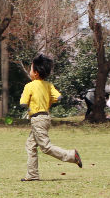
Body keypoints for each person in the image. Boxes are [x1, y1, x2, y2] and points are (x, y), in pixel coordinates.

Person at [18, 53, 82, 182]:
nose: (30, 71)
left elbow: (23, 103)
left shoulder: (29, 86)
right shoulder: (48, 85)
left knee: (45, 147)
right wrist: (47, 102)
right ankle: (32, 175)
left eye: (31, 69)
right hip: (46, 118)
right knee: (30, 145)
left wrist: (28, 106)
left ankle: (71, 156)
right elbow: (58, 97)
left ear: (36, 73)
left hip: (37, 119)